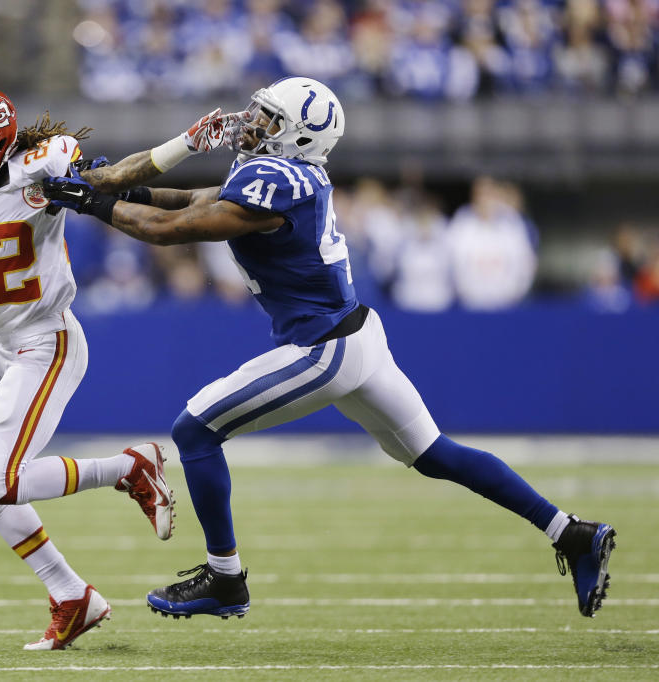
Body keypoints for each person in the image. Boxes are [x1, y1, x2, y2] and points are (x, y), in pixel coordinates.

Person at [42, 76, 617, 621]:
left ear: (298, 134)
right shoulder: (283, 173)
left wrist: (91, 204)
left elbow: (175, 229)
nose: (253, 122)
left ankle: (225, 579)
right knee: (436, 454)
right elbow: (194, 198)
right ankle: (572, 532)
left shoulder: (279, 182)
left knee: (194, 430)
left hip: (325, 347)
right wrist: (123, 188)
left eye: (270, 118)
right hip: (355, 334)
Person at [0, 83, 237, 649]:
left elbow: (116, 178)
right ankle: (73, 596)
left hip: (49, 340)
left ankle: (128, 468)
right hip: (3, 346)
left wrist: (186, 143)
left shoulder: (38, 173)